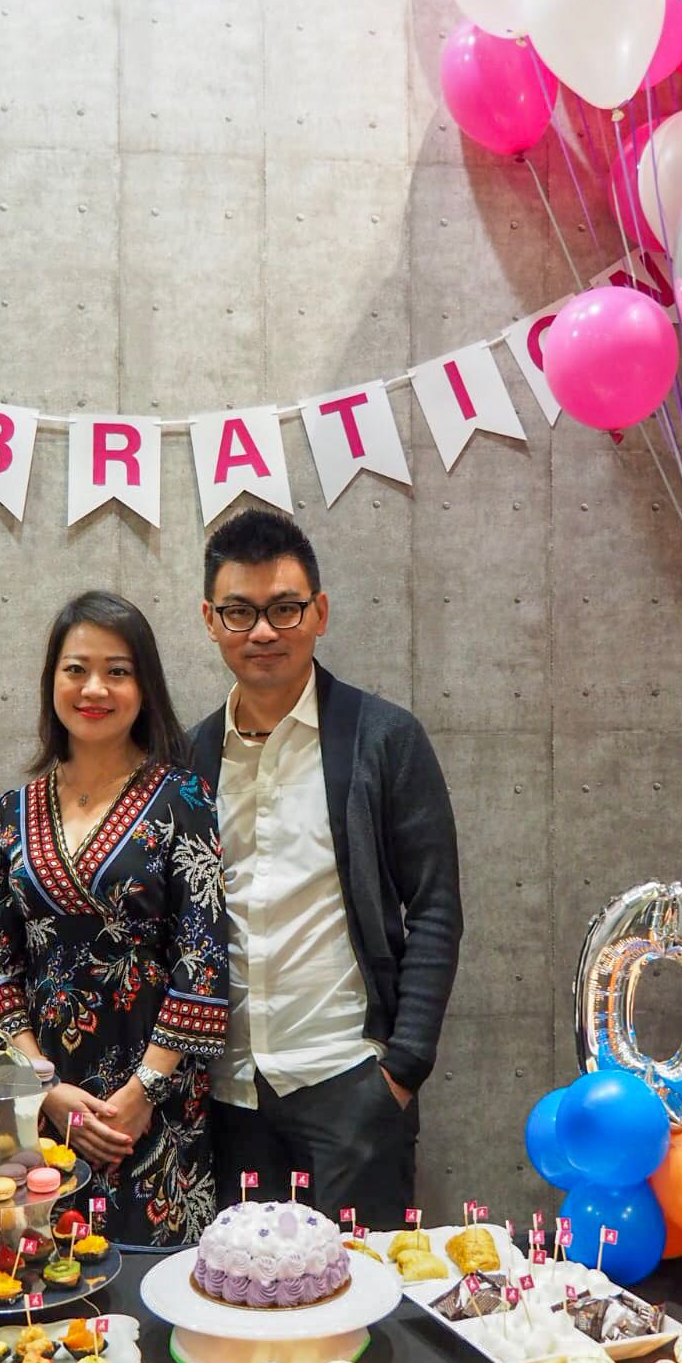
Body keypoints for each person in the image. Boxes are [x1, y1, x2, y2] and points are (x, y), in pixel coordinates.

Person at [190, 509, 462, 1230]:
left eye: (284, 608)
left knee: (361, 1289)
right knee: (243, 1288)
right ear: (210, 621)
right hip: (229, 1095)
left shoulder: (385, 739)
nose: (263, 631)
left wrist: (402, 1069)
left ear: (320, 612)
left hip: (350, 1083)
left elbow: (435, 907)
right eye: (240, 612)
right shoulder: (190, 758)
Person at [0, 591, 229, 1246]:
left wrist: (140, 1094)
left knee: (153, 1283)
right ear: (51, 682)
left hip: (154, 1111)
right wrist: (45, 1087)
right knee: (39, 1276)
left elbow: (202, 962)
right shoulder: (12, 810)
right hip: (41, 1112)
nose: (95, 689)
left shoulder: (184, 798)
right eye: (76, 669)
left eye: (118, 671)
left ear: (144, 687)